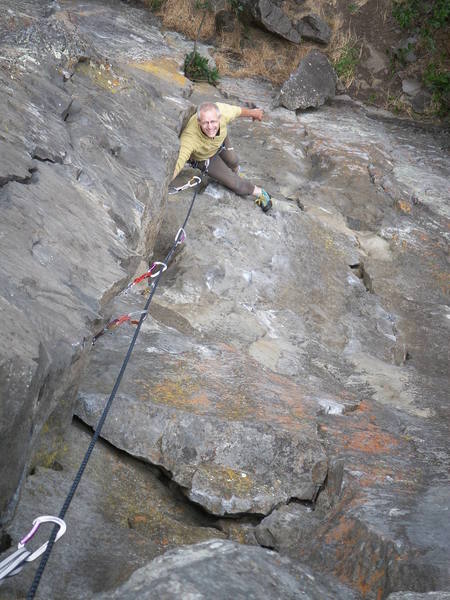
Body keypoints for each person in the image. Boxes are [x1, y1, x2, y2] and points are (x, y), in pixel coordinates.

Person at [172, 101, 272, 212]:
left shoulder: (223, 111)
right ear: (198, 121)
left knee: (233, 161)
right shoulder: (190, 137)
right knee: (237, 185)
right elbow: (178, 162)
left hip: (220, 140)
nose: (210, 127)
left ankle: (236, 171)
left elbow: (238, 111)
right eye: (205, 123)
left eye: (213, 122)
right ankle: (260, 192)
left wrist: (254, 113)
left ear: (219, 118)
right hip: (205, 157)